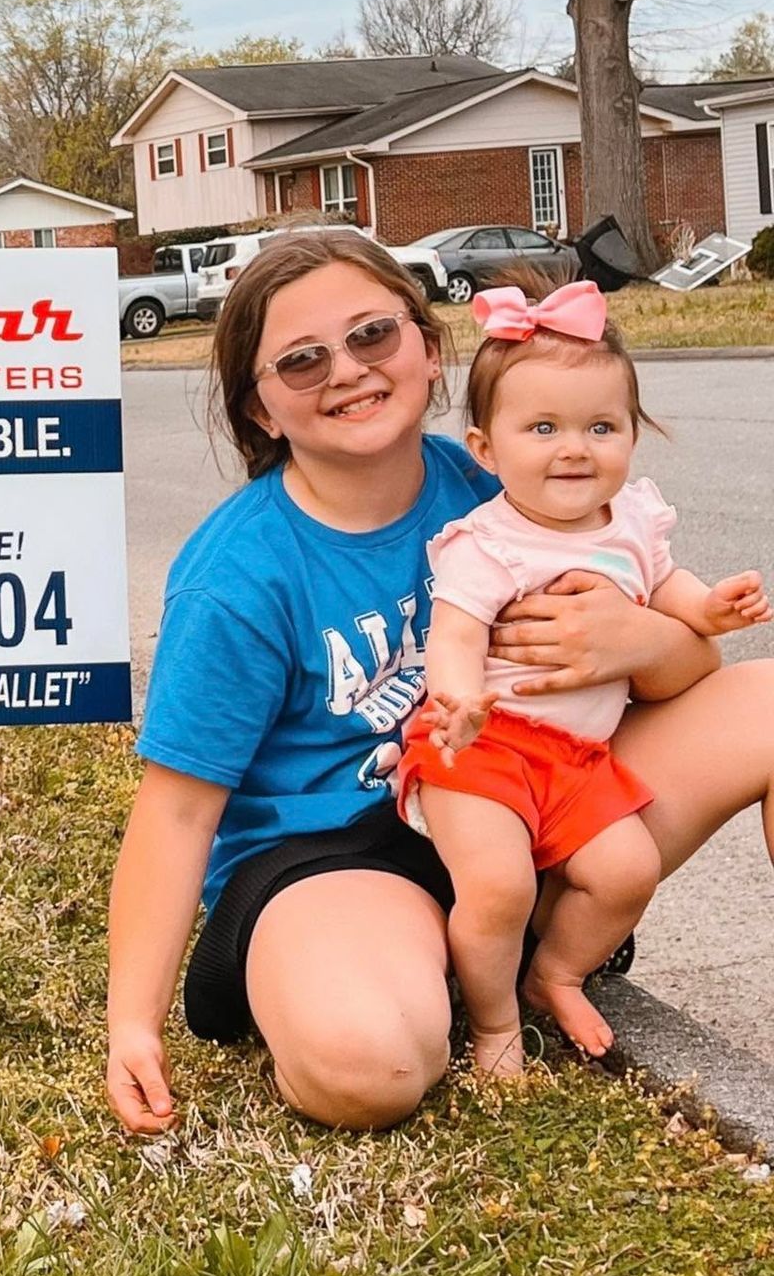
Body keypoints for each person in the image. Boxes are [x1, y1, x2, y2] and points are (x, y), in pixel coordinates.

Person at [104, 230, 774, 1134]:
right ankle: (403, 971)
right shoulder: (238, 576)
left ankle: (512, 952)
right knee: (371, 1067)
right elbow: (177, 811)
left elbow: (689, 671)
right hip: (339, 855)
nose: (346, 370)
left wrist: (633, 640)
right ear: (261, 410)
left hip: (532, 797)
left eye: (372, 335)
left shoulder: (507, 481)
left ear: (428, 346)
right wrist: (131, 1024)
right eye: (300, 362)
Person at [396, 277, 770, 1078]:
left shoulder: (632, 524)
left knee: (627, 871)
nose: (575, 447)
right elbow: (455, 634)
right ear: (487, 450)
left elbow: (668, 593)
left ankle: (554, 974)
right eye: (543, 428)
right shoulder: (486, 541)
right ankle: (495, 1026)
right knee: (497, 886)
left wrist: (712, 606)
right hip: (484, 751)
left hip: (578, 762)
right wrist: (458, 697)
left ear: (632, 435)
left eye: (601, 426)